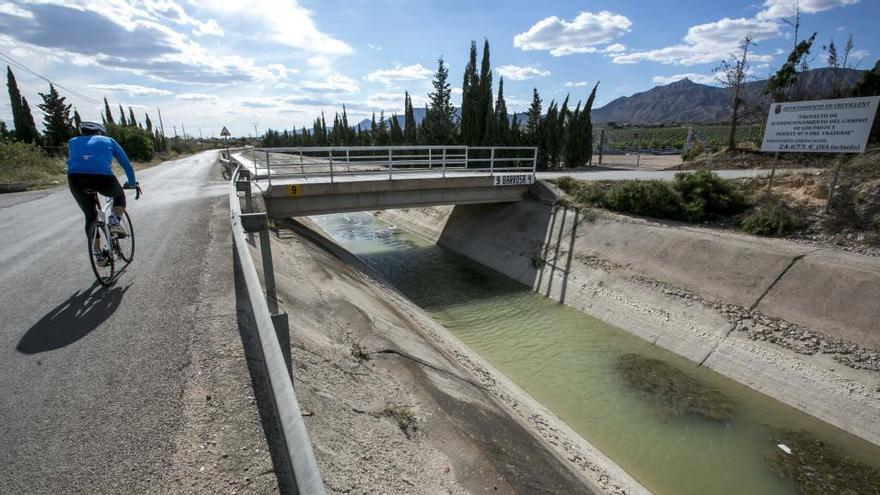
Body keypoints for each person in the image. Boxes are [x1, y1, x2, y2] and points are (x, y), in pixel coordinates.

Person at [67, 121, 137, 265]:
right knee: (118, 195)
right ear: (101, 132)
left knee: (90, 216)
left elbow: (77, 160)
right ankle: (114, 221)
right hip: (102, 178)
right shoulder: (109, 141)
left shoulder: (72, 141)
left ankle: (98, 255)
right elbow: (126, 164)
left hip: (75, 179)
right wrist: (131, 183)